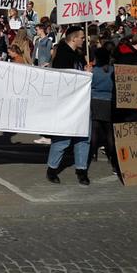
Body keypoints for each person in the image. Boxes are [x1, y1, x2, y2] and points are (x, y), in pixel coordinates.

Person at [46, 26, 91, 185]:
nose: (84, 40)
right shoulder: (63, 55)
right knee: (63, 138)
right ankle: (52, 169)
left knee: (83, 137)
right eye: (82, 37)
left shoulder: (77, 54)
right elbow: (64, 79)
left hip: (82, 102)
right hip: (67, 103)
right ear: (74, 38)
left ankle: (81, 169)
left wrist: (86, 71)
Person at [89, 47, 117, 173]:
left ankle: (93, 153)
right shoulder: (113, 70)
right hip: (109, 101)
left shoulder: (94, 71)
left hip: (96, 100)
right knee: (109, 132)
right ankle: (111, 157)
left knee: (95, 130)